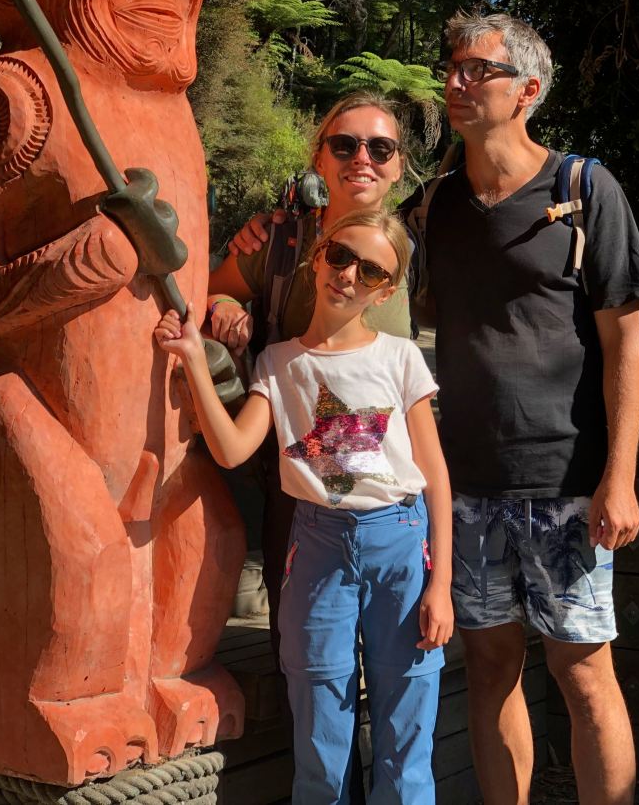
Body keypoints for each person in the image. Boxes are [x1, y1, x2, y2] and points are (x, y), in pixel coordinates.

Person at [402, 10, 639, 805]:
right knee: (488, 671)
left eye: (479, 70)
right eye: (453, 68)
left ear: (528, 91)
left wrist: (621, 478)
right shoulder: (435, 205)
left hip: (568, 480)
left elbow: (626, 346)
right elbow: (364, 271)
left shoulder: (583, 189)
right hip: (467, 484)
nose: (456, 82)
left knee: (583, 672)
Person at [155, 210, 453, 804]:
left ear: (385, 291)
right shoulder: (278, 361)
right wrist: (193, 360)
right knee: (319, 728)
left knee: (407, 726)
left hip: (400, 542)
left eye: (370, 271)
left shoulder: (400, 358)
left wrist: (440, 584)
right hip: (316, 548)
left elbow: (437, 476)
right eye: (340, 256)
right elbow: (235, 448)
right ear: (318, 256)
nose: (349, 276)